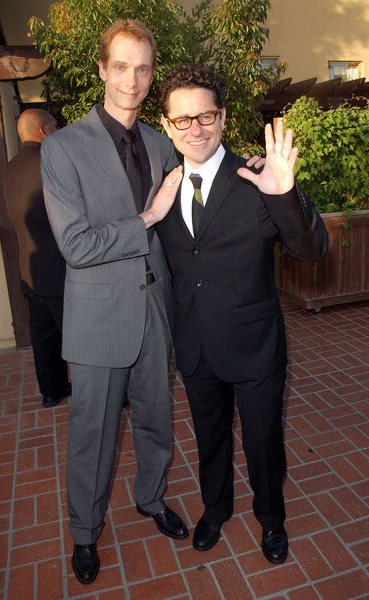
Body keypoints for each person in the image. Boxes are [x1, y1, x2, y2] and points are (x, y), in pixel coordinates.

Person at [155, 64, 328, 564]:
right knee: (209, 439)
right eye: (183, 119)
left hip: (254, 346)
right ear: (167, 125)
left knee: (263, 443)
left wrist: (285, 195)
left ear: (223, 117)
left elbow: (312, 251)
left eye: (205, 115)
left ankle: (272, 521)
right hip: (195, 344)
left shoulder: (257, 178)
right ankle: (216, 509)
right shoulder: (162, 189)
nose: (195, 128)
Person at [40, 19, 188, 585]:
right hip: (98, 313)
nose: (132, 79)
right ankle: (84, 531)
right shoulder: (62, 148)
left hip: (155, 309)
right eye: (121, 66)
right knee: (93, 433)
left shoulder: (158, 143)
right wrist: (146, 218)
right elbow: (76, 245)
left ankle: (150, 498)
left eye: (143, 67)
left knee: (156, 420)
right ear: (102, 70)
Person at [3, 108, 71, 408]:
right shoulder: (50, 162)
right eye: (55, 126)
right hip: (59, 267)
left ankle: (51, 391)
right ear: (44, 131)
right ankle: (104, 392)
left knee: (44, 337)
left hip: (29, 270)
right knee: (80, 337)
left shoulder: (10, 167)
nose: (58, 130)